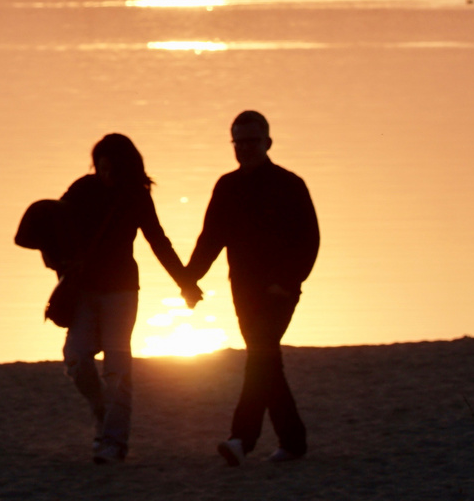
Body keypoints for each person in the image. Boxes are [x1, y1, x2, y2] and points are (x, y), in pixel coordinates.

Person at [184, 109, 321, 466]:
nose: (244, 148)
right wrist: (189, 279)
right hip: (242, 290)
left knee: (260, 358)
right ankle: (293, 442)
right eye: (238, 142)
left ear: (267, 142)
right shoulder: (227, 186)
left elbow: (309, 240)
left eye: (252, 141)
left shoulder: (290, 184)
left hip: (280, 292)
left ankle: (241, 440)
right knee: (266, 361)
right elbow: (210, 238)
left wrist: (288, 281)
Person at [56, 133, 202, 464]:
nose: (104, 174)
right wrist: (60, 268)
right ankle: (102, 412)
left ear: (124, 167)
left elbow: (158, 240)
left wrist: (186, 283)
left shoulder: (135, 196)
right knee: (76, 358)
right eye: (100, 167)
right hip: (84, 290)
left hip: (122, 291)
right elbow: (53, 227)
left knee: (117, 369)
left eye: (110, 168)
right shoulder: (81, 190)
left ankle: (114, 442)